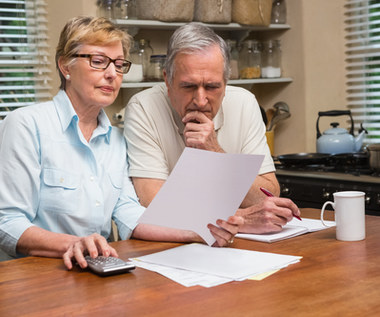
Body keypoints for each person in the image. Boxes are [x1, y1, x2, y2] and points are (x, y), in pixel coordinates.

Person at [0, 17, 241, 267]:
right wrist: (72, 244)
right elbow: (7, 223)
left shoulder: (115, 139)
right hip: (35, 277)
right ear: (65, 67)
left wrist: (201, 230)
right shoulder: (26, 125)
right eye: (98, 62)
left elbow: (130, 215)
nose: (112, 74)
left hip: (97, 271)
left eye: (118, 64)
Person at [124, 22, 300, 233]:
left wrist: (214, 152)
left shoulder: (244, 103)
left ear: (226, 83)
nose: (200, 100)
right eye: (188, 86)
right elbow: (152, 205)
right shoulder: (143, 107)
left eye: (212, 87)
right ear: (167, 81)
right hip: (170, 247)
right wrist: (239, 219)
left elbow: (268, 195)